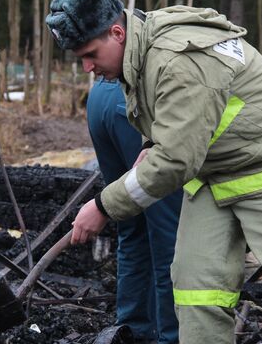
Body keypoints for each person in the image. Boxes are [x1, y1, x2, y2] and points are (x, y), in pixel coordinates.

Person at [46, 0, 262, 344]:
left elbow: (175, 161)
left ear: (117, 32)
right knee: (196, 287)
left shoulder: (177, 60)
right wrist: (151, 141)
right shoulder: (140, 46)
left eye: (91, 54)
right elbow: (167, 117)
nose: (86, 67)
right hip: (214, 172)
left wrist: (103, 206)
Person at [87, 77, 181, 344]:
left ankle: (132, 332)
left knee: (132, 227)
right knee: (168, 240)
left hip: (100, 99)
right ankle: (171, 338)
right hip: (133, 103)